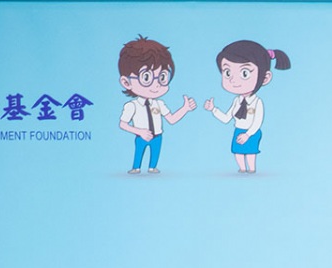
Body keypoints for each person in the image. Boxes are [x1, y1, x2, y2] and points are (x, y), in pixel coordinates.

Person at [203, 40, 291, 174]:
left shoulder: (257, 102)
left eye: (244, 73)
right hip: (238, 130)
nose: (233, 80)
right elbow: (227, 118)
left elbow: (257, 122)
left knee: (251, 153)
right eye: (227, 72)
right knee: (237, 152)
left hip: (252, 132)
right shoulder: (237, 101)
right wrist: (213, 109)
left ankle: (252, 171)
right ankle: (242, 170)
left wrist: (248, 134)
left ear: (265, 78)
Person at [116, 36, 195, 175]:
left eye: (162, 77)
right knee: (139, 152)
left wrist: (185, 109)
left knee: (155, 153)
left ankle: (152, 167)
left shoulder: (159, 104)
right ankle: (136, 167)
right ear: (126, 82)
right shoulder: (132, 106)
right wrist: (140, 131)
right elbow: (123, 124)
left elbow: (171, 119)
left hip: (157, 135)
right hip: (141, 136)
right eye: (146, 77)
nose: (156, 84)